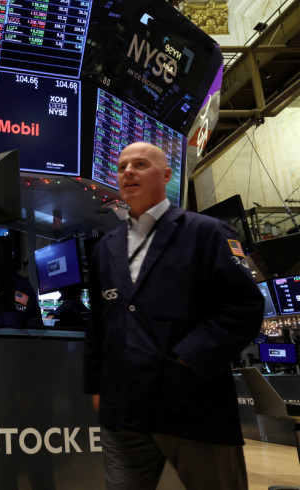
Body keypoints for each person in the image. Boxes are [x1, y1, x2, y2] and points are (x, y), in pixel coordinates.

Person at [83, 142, 264, 489]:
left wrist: (184, 362)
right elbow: (98, 324)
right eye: (122, 167)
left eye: (140, 164)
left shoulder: (206, 232)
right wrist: (96, 383)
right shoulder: (105, 248)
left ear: (166, 175)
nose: (128, 172)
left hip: (193, 404)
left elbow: (243, 308)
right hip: (124, 412)